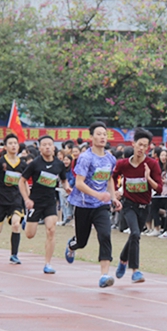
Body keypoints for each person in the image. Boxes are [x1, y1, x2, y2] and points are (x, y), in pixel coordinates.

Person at [64, 122, 122, 288]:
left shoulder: (110, 158)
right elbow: (79, 183)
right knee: (81, 242)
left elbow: (109, 179)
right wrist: (98, 194)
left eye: (104, 134)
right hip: (83, 204)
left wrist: (113, 197)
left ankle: (104, 275)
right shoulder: (85, 158)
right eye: (99, 134)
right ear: (91, 137)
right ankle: (71, 246)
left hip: (101, 206)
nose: (102, 137)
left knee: (105, 235)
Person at [112, 128, 162, 283]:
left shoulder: (152, 164)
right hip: (128, 205)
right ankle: (135, 271)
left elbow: (159, 188)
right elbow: (112, 177)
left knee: (135, 235)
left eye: (145, 146)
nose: (141, 148)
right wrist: (115, 192)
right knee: (135, 233)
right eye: (139, 144)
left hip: (144, 207)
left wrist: (148, 178)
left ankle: (122, 260)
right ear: (133, 144)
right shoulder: (123, 164)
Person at [19, 135, 71, 274]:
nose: (47, 147)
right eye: (44, 145)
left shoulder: (59, 164)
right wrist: (26, 199)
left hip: (50, 202)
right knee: (30, 234)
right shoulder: (35, 164)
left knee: (51, 230)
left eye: (50, 144)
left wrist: (67, 187)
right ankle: (26, 221)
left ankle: (48, 263)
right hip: (35, 202)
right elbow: (21, 181)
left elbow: (64, 180)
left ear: (54, 147)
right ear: (40, 148)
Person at [0, 134, 26, 265]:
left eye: (15, 143)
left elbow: (24, 181)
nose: (13, 145)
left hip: (15, 199)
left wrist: (28, 198)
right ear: (5, 147)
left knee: (16, 224)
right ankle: (2, 218)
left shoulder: (23, 164)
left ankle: (14, 255)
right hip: (0, 199)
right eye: (10, 143)